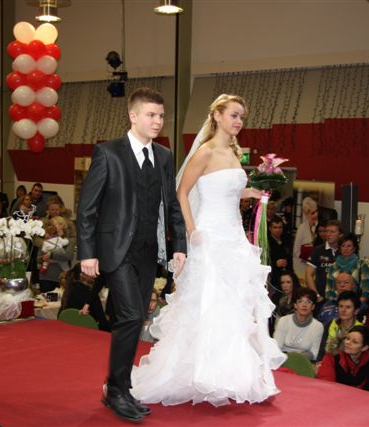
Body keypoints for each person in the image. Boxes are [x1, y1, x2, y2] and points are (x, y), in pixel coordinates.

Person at [130, 93, 286, 408]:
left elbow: (228, 190)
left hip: (234, 236)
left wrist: (253, 191)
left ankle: (229, 375)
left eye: (242, 117)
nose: (239, 121)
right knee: (208, 303)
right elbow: (181, 192)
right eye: (234, 115)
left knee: (234, 305)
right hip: (209, 235)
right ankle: (199, 373)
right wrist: (191, 230)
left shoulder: (233, 152)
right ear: (217, 115)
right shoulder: (205, 151)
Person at [77, 87, 187, 422]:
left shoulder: (164, 156)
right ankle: (116, 390)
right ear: (133, 115)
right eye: (151, 115)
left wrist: (179, 245)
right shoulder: (108, 153)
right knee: (129, 316)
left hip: (149, 251)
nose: (157, 121)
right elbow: (87, 208)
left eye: (161, 116)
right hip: (116, 250)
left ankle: (121, 387)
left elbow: (172, 204)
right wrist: (87, 253)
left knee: (136, 318)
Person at [317, 324, 369, 392]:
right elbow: (325, 384)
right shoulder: (332, 355)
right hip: (333, 394)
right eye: (347, 338)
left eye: (355, 342)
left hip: (362, 397)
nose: (348, 342)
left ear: (364, 348)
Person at [273, 287, 323, 361]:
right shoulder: (284, 321)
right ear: (295, 305)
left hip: (304, 362)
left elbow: (314, 354)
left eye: (308, 302)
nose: (304, 305)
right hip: (282, 360)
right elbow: (276, 347)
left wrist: (296, 359)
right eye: (300, 301)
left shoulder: (318, 326)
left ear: (313, 307)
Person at [324, 234, 369, 312]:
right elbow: (328, 291)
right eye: (343, 246)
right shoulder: (333, 266)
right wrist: (339, 303)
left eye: (349, 246)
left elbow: (367, 290)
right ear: (339, 248)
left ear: (354, 248)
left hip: (357, 301)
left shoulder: (361, 265)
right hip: (336, 301)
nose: (346, 248)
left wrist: (355, 303)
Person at [316, 291, 363, 361]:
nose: (343, 310)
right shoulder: (330, 324)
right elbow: (322, 351)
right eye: (341, 306)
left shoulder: (361, 329)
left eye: (348, 307)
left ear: (356, 311)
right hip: (328, 362)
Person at [306, 219, 343, 305]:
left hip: (340, 298)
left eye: (332, 232)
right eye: (327, 231)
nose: (328, 234)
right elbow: (308, 275)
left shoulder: (344, 251)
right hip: (321, 297)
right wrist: (316, 295)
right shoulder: (318, 250)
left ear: (340, 234)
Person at [37, 216, 73, 293]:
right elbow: (38, 258)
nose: (55, 227)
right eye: (52, 225)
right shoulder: (46, 240)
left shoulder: (68, 240)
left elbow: (68, 256)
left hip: (62, 277)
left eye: (58, 224)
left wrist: (51, 254)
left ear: (63, 226)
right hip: (45, 276)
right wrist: (42, 258)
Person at [292, 196, 318, 280]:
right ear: (307, 214)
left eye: (316, 211)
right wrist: (308, 260)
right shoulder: (302, 228)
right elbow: (296, 252)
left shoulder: (317, 227)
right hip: (301, 267)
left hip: (315, 268)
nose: (316, 214)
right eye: (312, 213)